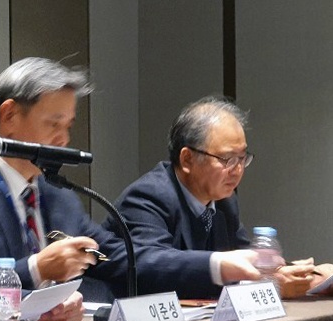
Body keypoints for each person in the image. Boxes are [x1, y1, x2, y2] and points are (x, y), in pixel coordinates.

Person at [0, 57, 127, 308]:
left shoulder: (60, 196)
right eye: (54, 124)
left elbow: (114, 257)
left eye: (68, 126)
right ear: (9, 116)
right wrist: (36, 269)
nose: (64, 139)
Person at [103, 96, 315, 299]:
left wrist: (287, 274)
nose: (238, 170)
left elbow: (245, 260)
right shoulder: (148, 197)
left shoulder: (225, 201)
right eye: (227, 159)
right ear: (187, 159)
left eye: (242, 158)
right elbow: (154, 271)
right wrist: (257, 280)